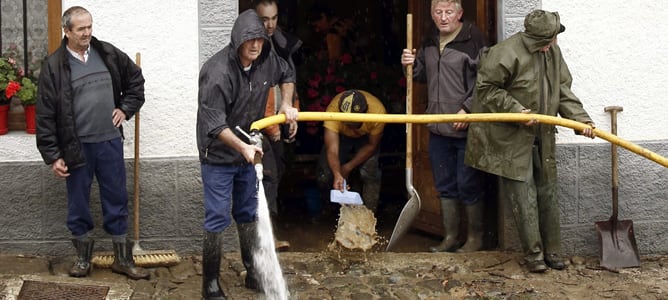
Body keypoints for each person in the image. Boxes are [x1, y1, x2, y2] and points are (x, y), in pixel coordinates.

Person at [464, 9, 596, 273]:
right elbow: (486, 89)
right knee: (524, 197)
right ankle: (534, 255)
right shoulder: (506, 52)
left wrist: (583, 121)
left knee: (548, 193)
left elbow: (563, 90)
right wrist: (515, 111)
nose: (555, 43)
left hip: (543, 135)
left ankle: (554, 252)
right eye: (551, 38)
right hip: (511, 138)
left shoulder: (553, 53)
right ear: (538, 39)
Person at [35, 6, 149, 280]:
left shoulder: (107, 53)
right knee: (78, 204)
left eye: (89, 26)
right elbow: (45, 114)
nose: (87, 33)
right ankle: (83, 260)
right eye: (80, 29)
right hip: (76, 147)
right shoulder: (53, 66)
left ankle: (122, 260)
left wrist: (125, 108)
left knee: (117, 199)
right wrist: (53, 155)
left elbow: (136, 82)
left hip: (109, 142)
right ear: (67, 31)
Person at [196, 8, 298, 299]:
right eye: (249, 40)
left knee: (248, 212)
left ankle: (253, 270)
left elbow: (287, 72)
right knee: (217, 217)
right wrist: (243, 148)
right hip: (217, 153)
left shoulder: (267, 60)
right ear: (237, 40)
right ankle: (210, 284)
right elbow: (213, 122)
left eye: (259, 40)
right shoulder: (217, 72)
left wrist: (286, 103)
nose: (255, 45)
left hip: (247, 149)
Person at [400, 0, 488, 253]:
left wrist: (468, 109)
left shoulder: (474, 40)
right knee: (445, 183)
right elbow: (421, 77)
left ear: (460, 13)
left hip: (465, 127)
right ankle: (450, 237)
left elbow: (486, 80)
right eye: (438, 12)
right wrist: (410, 63)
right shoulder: (429, 40)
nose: (443, 17)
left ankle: (474, 239)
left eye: (449, 12)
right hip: (438, 126)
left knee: (468, 183)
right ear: (432, 14)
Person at [255, 0, 302, 251]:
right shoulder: (253, 46)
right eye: (264, 19)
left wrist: (294, 112)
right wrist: (271, 127)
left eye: (274, 18)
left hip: (279, 119)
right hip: (257, 125)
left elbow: (289, 79)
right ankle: (265, 239)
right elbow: (259, 91)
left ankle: (267, 235)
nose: (270, 24)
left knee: (277, 173)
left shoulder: (281, 44)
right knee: (267, 178)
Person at [316, 89, 386, 214]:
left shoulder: (378, 112)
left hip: (367, 138)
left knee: (370, 171)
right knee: (325, 174)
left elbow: (371, 145)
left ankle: (369, 217)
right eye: (348, 123)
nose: (352, 127)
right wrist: (337, 173)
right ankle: (331, 213)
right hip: (341, 137)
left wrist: (348, 167)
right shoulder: (333, 111)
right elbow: (332, 149)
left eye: (355, 123)